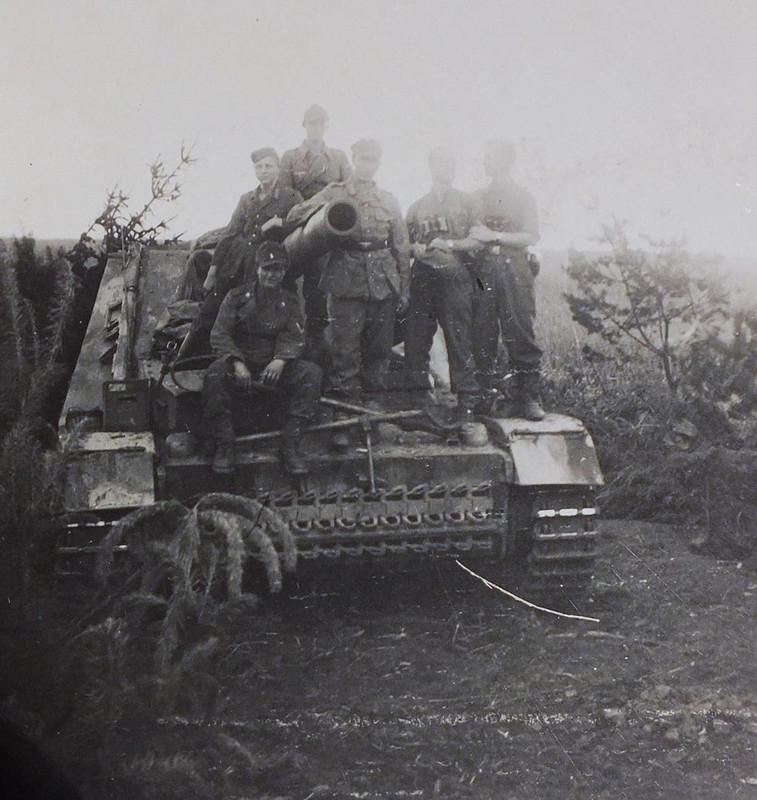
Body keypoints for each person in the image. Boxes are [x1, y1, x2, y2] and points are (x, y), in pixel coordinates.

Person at [286, 138, 410, 425]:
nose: (368, 165)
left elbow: (402, 246)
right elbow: (294, 215)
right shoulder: (336, 191)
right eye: (363, 159)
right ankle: (346, 410)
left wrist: (403, 288)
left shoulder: (389, 200)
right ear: (354, 159)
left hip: (383, 280)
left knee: (379, 349)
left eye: (373, 160)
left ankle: (372, 407)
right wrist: (326, 208)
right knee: (344, 349)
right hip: (345, 278)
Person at [201, 242, 322, 475]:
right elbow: (220, 333)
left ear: (284, 271)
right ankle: (225, 445)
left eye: (277, 269)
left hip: (274, 365)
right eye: (266, 268)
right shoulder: (236, 298)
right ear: (257, 269)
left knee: (311, 374)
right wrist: (237, 363)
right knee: (215, 374)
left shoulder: (289, 301)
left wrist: (281, 360)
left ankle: (291, 445)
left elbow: (295, 335)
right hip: (241, 364)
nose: (271, 274)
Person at [178, 148, 302, 358]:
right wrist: (213, 270)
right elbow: (230, 233)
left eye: (269, 166)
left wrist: (279, 222)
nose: (264, 171)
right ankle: (184, 357)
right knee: (210, 310)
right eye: (259, 167)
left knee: (256, 314)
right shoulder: (247, 199)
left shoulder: (290, 197)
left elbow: (302, 218)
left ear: (278, 169)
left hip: (265, 264)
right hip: (237, 261)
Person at [469, 139, 545, 421]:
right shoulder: (476, 197)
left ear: (507, 162)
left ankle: (528, 396)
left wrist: (496, 237)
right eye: (487, 157)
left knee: (520, 331)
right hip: (484, 269)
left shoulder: (523, 197)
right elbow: (472, 231)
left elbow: (531, 236)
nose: (488, 163)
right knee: (482, 332)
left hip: (515, 268)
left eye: (494, 157)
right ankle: (483, 396)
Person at [404, 147, 481, 422]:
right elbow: (405, 243)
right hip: (423, 277)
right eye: (441, 162)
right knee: (416, 338)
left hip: (454, 275)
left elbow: (478, 238)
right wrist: (416, 248)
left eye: (451, 163)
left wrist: (450, 244)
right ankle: (419, 400)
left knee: (459, 338)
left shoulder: (467, 202)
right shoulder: (417, 206)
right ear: (431, 166)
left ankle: (466, 402)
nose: (447, 168)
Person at [279, 104, 352, 363]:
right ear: (304, 126)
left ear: (326, 126)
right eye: (311, 123)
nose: (316, 128)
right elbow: (286, 198)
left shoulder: (339, 158)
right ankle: (300, 340)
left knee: (323, 288)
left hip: (329, 231)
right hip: (300, 228)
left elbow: (349, 191)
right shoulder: (290, 158)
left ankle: (319, 344)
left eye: (320, 123)